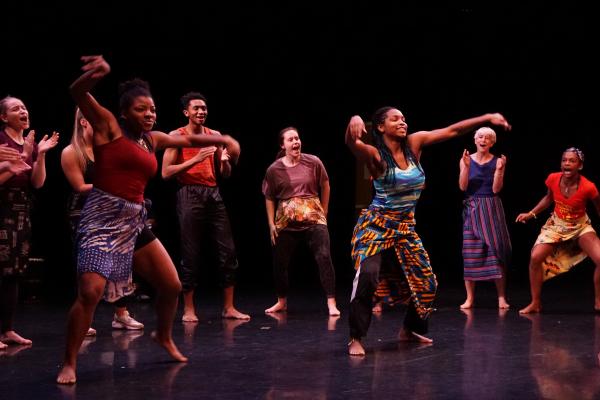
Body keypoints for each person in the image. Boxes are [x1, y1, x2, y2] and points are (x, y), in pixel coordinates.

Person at [57, 55, 240, 384]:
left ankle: (163, 335)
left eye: (153, 109)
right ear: (126, 112)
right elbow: (77, 93)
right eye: (142, 109)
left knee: (171, 286)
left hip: (134, 222)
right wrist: (96, 75)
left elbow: (187, 140)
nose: (150, 114)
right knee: (90, 292)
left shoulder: (151, 139)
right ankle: (69, 361)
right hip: (101, 220)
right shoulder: (109, 127)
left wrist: (223, 139)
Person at [345, 108, 511, 356]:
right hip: (376, 226)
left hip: (405, 228)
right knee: (369, 276)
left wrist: (487, 118)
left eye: (403, 118)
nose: (403, 122)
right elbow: (352, 143)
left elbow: (453, 131)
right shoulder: (375, 155)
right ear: (381, 127)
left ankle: (409, 329)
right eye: (395, 119)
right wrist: (353, 123)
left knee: (427, 283)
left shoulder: (415, 143)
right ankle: (356, 337)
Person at [162, 92, 249, 322]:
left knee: (227, 251)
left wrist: (225, 163)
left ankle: (229, 307)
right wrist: (195, 159)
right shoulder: (176, 136)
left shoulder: (215, 136)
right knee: (190, 253)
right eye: (196, 108)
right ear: (186, 112)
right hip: (188, 193)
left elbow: (226, 174)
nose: (201, 112)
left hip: (213, 193)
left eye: (204, 108)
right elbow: (165, 172)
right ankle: (189, 309)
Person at [61, 108, 144, 335]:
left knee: (122, 263)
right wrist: (115, 187)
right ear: (84, 123)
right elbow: (79, 187)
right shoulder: (72, 152)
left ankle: (121, 314)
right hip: (85, 213)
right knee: (90, 267)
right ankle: (86, 318)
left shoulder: (107, 149)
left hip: (115, 212)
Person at [0, 96, 59, 350]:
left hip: (21, 209)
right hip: (1, 206)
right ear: (4, 117)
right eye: (16, 108)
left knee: (13, 272)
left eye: (24, 107)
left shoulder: (31, 143)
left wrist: (41, 155)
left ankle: (7, 329)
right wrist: (14, 163)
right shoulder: (1, 142)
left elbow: (37, 182)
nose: (23, 111)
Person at [262, 127, 340, 316]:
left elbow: (325, 184)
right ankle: (281, 301)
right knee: (279, 262)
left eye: (297, 138)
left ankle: (331, 303)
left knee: (323, 256)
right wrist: (271, 223)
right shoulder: (274, 169)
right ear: (283, 145)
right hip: (286, 221)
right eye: (291, 140)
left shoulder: (313, 162)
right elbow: (269, 196)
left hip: (313, 217)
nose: (296, 142)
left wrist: (325, 209)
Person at [516, 147, 600, 314]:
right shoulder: (553, 179)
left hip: (579, 226)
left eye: (571, 161)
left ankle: (598, 300)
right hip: (557, 224)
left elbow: (598, 208)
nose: (566, 163)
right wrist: (531, 213)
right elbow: (548, 198)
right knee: (535, 257)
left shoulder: (589, 187)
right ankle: (535, 303)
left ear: (580, 166)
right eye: (564, 160)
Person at [459, 127, 512, 309]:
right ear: (475, 140)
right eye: (480, 137)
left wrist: (499, 170)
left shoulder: (497, 161)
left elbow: (496, 189)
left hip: (491, 207)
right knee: (470, 253)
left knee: (495, 251)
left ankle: (501, 297)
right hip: (473, 207)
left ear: (492, 143)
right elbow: (463, 186)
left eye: (488, 138)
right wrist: (466, 167)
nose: (483, 140)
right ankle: (470, 298)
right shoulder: (466, 160)